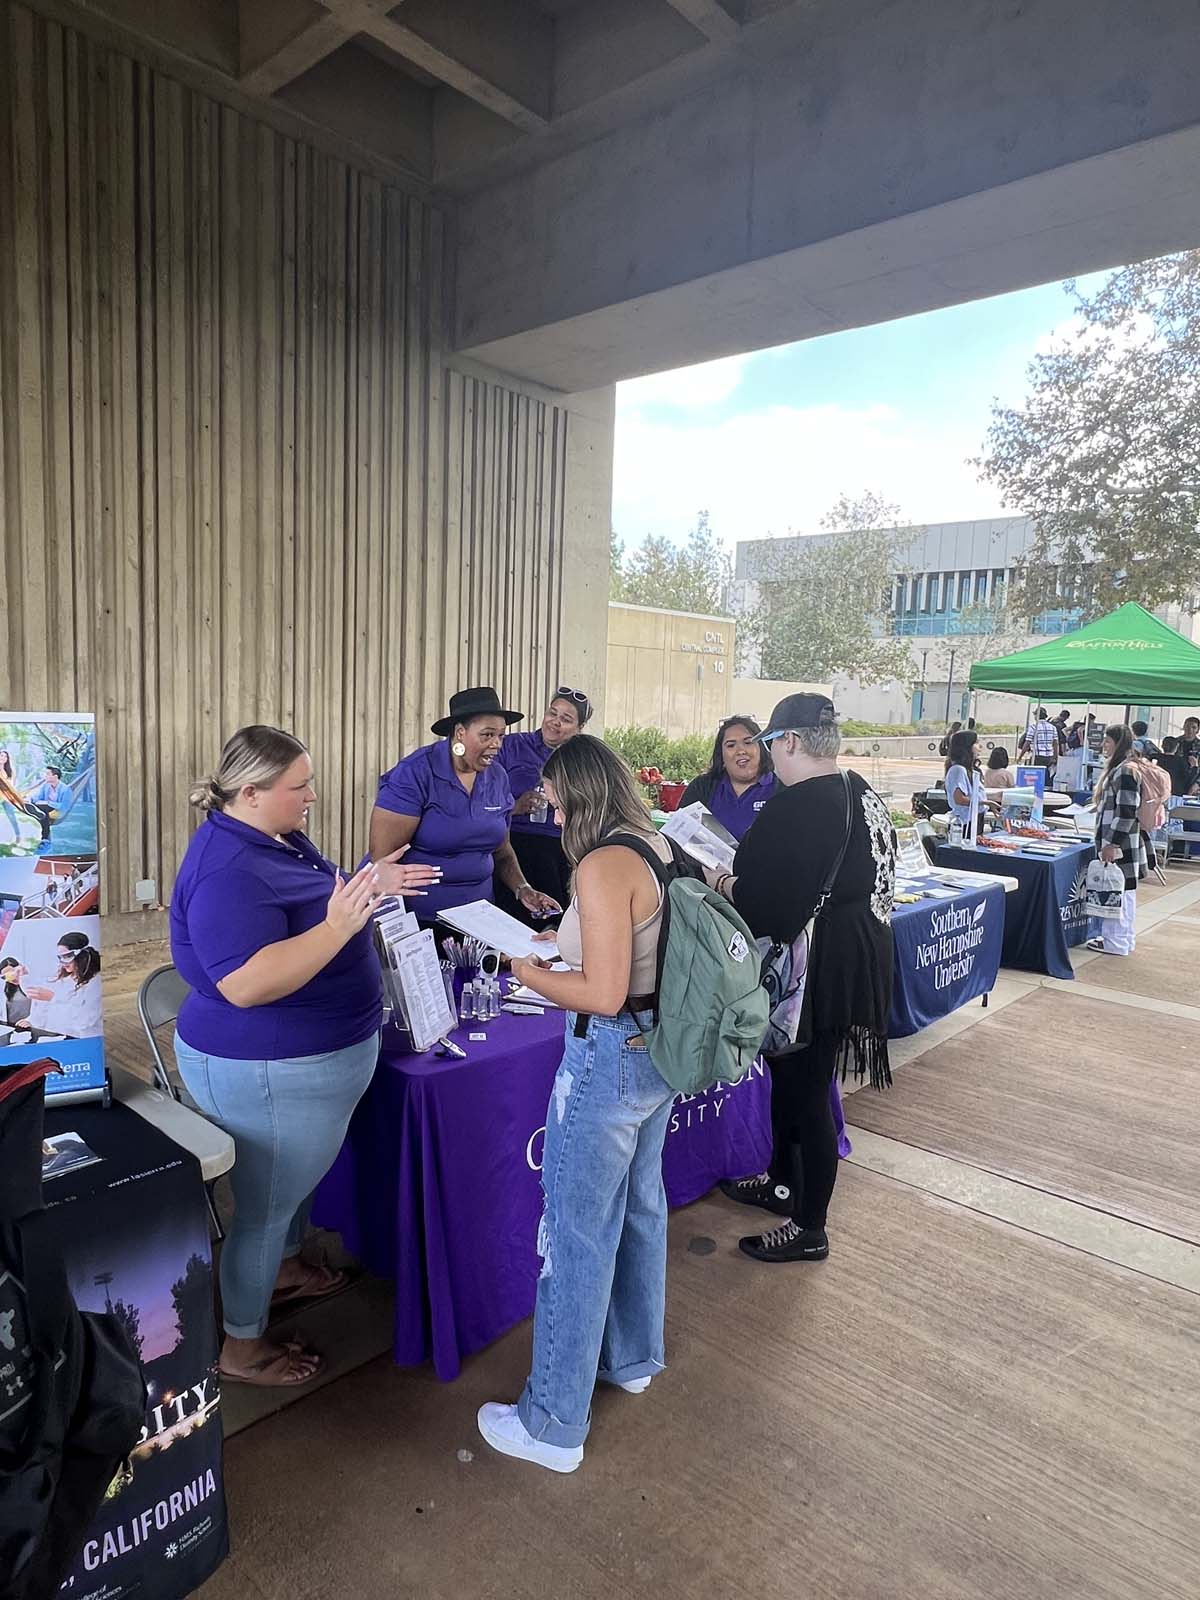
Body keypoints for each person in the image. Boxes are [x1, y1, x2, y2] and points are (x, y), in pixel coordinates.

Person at [170, 725, 440, 1389]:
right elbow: (247, 983)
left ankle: (285, 1271)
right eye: (300, 786)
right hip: (265, 1068)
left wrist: (367, 882)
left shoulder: (271, 836)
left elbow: (309, 899)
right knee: (261, 1213)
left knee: (286, 1190)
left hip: (303, 1063)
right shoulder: (228, 869)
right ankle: (239, 1346)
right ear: (253, 792)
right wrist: (340, 927)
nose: (313, 795)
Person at [476, 735, 679, 1475]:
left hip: (606, 1057)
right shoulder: (650, 842)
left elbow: (601, 993)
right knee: (639, 1209)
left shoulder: (600, 865)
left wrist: (529, 973)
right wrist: (563, 955)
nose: (549, 815)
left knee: (574, 1236)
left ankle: (553, 1422)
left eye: (555, 803)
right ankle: (632, 1356)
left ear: (580, 796)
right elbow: (625, 963)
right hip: (655, 1052)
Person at [713, 694, 896, 1263]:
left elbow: (768, 905)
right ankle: (781, 1183)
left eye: (769, 744)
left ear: (789, 742)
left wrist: (723, 884)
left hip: (818, 970)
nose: (769, 757)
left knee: (809, 1093)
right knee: (794, 1082)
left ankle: (809, 1225)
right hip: (857, 957)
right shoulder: (859, 790)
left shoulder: (798, 806)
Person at [368, 688, 560, 924]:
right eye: (487, 735)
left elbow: (502, 850)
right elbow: (383, 861)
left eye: (500, 735)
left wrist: (523, 888)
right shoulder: (415, 773)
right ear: (460, 733)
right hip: (421, 919)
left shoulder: (497, 777)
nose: (496, 744)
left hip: (479, 919)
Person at [494, 685, 593, 917]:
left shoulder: (581, 760)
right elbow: (485, 792)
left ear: (579, 728)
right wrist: (515, 806)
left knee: (554, 915)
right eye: (552, 713)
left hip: (560, 844)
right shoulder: (513, 745)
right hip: (514, 840)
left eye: (566, 719)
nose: (555, 722)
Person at [1088, 724, 1144, 957]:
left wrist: (1112, 844)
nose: (1104, 745)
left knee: (1117, 891)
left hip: (1121, 843)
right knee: (1123, 890)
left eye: (1108, 741)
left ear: (1118, 743)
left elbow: (1127, 811)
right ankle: (1122, 940)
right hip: (1125, 842)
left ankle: (1116, 941)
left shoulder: (1124, 771)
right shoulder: (1125, 768)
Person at [677, 715, 777, 841]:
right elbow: (679, 834)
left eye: (748, 742)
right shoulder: (702, 787)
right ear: (721, 754)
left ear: (762, 748)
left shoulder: (781, 788)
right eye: (731, 745)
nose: (741, 751)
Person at [12, 931, 102, 1038]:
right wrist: (31, 1020)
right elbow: (41, 1003)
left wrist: (53, 998)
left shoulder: (95, 984)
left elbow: (83, 1021)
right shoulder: (63, 979)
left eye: (67, 956)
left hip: (81, 1040)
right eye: (60, 957)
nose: (63, 962)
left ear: (83, 955)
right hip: (54, 1038)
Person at [944, 729, 990, 831]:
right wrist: (985, 803)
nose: (980, 747)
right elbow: (960, 799)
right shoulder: (958, 770)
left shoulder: (970, 770)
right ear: (967, 747)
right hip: (965, 823)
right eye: (976, 743)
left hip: (975, 819)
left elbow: (976, 794)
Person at [24, 765, 71, 849]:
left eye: (48, 774)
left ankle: (45, 836)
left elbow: (64, 806)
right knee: (41, 809)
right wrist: (30, 799)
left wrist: (49, 803)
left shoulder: (65, 789)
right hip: (45, 808)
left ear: (55, 776)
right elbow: (38, 797)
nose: (45, 776)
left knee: (43, 808)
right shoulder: (46, 786)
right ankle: (44, 837)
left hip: (58, 810)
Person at [1020, 707, 1059, 778]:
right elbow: (1055, 744)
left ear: (1036, 716)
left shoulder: (1033, 728)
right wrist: (1055, 757)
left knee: (1036, 777)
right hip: (1049, 757)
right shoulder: (1053, 727)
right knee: (1046, 777)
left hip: (1037, 757)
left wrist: (1020, 756)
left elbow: (1027, 743)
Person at [1, 956, 33, 1029]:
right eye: (5, 977)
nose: (11, 977)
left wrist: (30, 1021)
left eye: (12, 972)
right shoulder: (6, 990)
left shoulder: (31, 984)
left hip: (30, 1026)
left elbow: (42, 1008)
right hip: (11, 1027)